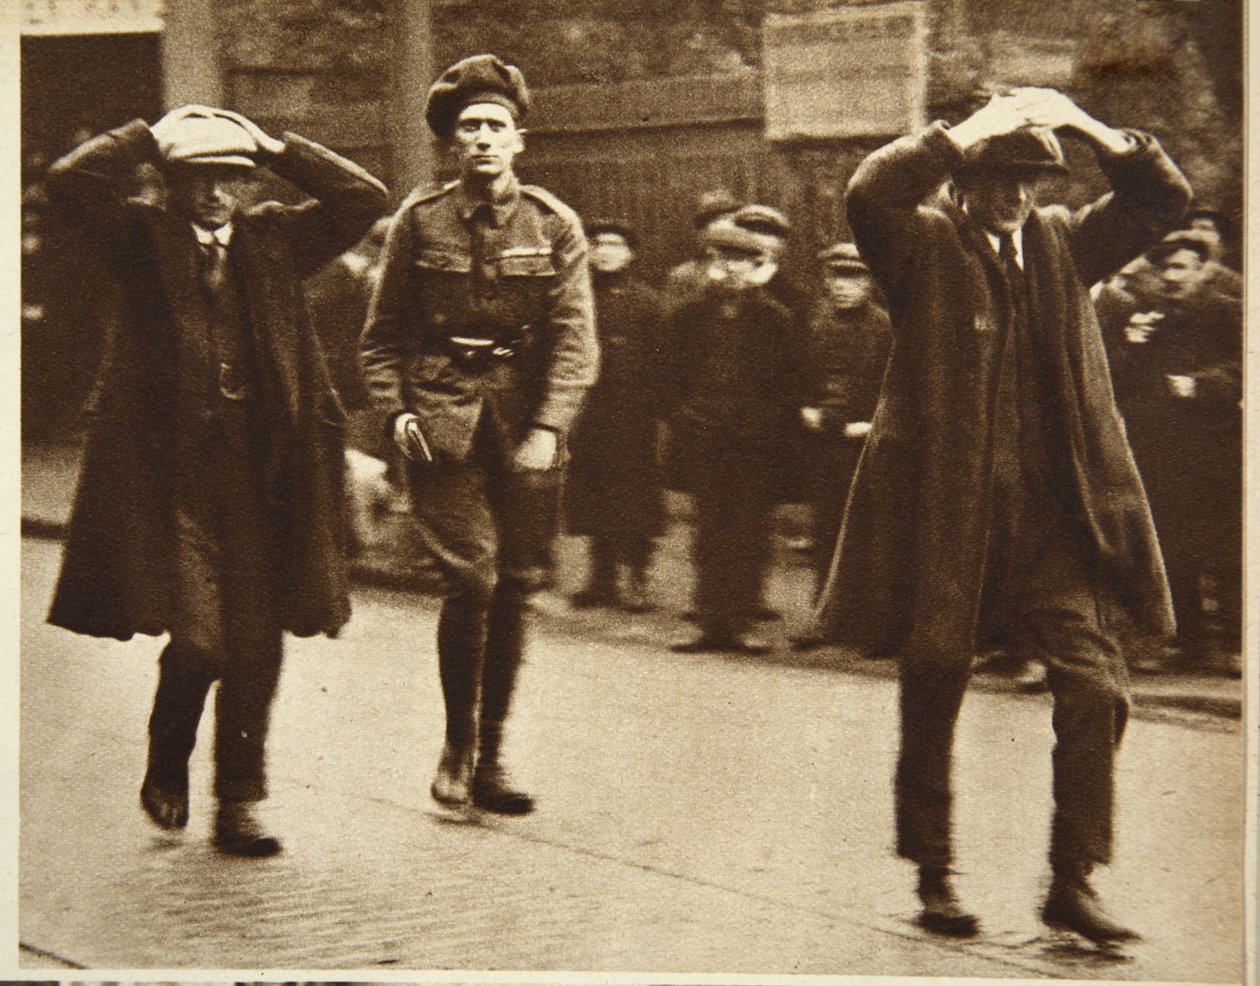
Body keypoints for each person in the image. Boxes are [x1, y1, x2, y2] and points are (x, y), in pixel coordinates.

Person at [810, 88, 1191, 942]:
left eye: (1030, 177)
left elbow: (1165, 200)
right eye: (995, 175)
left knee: (1097, 689)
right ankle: (935, 870)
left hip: (1055, 527)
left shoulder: (1063, 244)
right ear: (962, 179)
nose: (1014, 195)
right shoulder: (921, 246)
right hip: (952, 522)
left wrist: (1085, 125)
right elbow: (869, 191)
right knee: (935, 677)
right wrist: (971, 129)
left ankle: (1073, 880)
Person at [45, 105, 388, 855]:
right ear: (170, 182)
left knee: (258, 646)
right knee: (202, 644)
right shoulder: (140, 240)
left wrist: (276, 147)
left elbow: (365, 199)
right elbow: (68, 183)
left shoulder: (276, 241)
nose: (213, 194)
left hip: (264, 479)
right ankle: (169, 756)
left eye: (229, 177)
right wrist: (145, 133)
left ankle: (240, 802)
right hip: (172, 482)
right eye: (197, 178)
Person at [361, 55, 598, 815]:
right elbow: (381, 337)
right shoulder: (418, 222)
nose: (484, 140)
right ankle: (457, 744)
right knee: (473, 578)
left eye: (497, 126)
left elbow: (575, 340)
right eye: (470, 128)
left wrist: (549, 425)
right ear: (452, 145)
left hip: (526, 424)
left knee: (518, 587)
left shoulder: (555, 224)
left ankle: (493, 757)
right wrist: (396, 413)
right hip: (440, 423)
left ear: (519, 140)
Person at [661, 219, 811, 654]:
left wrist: (763, 423)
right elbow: (668, 375)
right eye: (723, 260)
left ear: (758, 266)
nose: (731, 270)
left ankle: (742, 621)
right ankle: (709, 622)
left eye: (741, 262)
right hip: (704, 435)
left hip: (753, 444)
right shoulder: (689, 315)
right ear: (710, 263)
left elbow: (793, 382)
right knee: (708, 530)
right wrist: (684, 415)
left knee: (749, 531)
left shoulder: (775, 318)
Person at [1102, 236, 1242, 675]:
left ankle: (1236, 643)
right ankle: (1189, 642)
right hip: (1160, 449)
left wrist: (1202, 384)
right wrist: (1131, 342)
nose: (1171, 278)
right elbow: (1119, 381)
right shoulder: (1150, 313)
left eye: (1182, 269)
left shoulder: (1225, 311)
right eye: (1166, 269)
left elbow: (1245, 367)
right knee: (1173, 546)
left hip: (1213, 447)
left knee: (1223, 547)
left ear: (1204, 271)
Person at [565, 220, 666, 612]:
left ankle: (637, 578)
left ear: (630, 253)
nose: (604, 250)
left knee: (636, 496)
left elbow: (664, 360)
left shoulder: (647, 301)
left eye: (614, 244)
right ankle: (601, 577)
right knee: (593, 492)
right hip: (589, 411)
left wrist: (653, 408)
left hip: (634, 414)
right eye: (598, 243)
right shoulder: (577, 297)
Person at [798, 243, 891, 584]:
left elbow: (896, 386)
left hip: (865, 441)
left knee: (864, 527)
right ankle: (823, 611)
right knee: (825, 526)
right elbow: (798, 374)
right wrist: (806, 408)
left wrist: (872, 424)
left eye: (852, 278)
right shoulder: (816, 321)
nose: (841, 286)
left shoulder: (884, 326)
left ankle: (861, 617)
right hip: (822, 439)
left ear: (869, 284)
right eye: (836, 277)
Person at [662, 189, 742, 314]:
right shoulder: (683, 275)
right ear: (704, 231)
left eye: (731, 220)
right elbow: (671, 319)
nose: (726, 227)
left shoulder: (753, 270)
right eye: (716, 221)